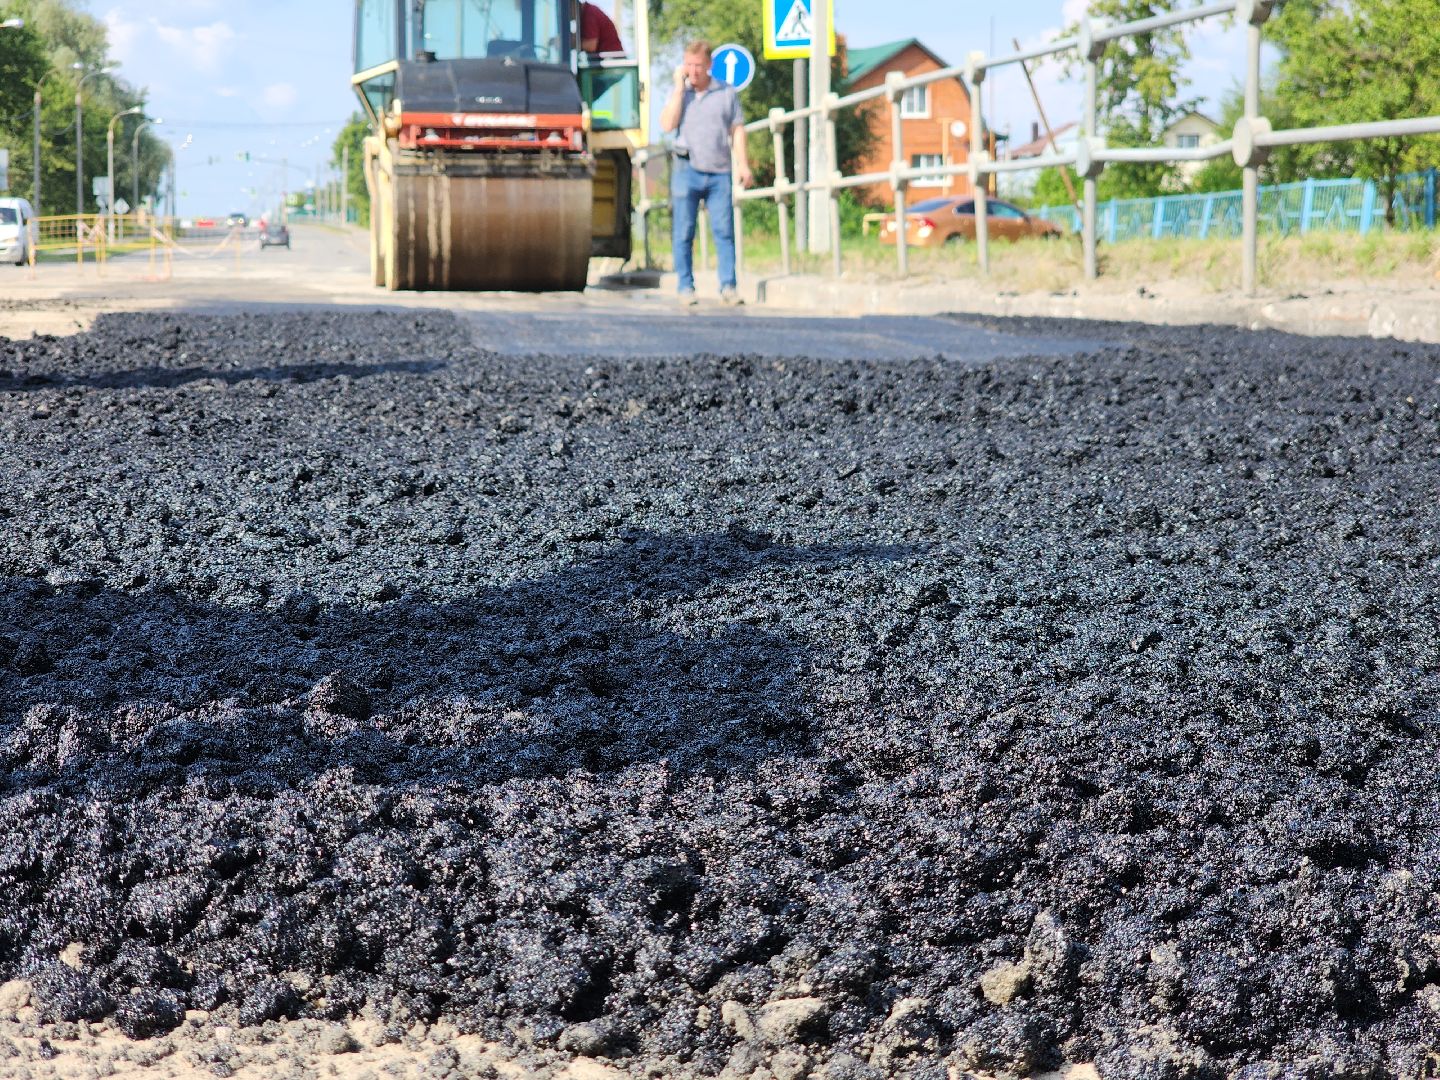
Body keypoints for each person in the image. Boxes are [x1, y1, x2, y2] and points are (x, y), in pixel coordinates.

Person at [659, 39, 753, 305]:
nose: (694, 70)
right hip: (685, 168)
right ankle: (685, 287)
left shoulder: (726, 93)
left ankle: (728, 286)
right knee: (683, 231)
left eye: (699, 65)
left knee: (724, 230)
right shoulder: (679, 92)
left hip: (719, 171)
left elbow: (737, 130)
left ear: (709, 65)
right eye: (689, 64)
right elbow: (667, 124)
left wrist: (743, 164)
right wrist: (679, 88)